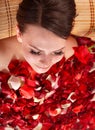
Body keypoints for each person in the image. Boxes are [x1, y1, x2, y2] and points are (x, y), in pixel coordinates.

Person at [0, 0, 95, 129]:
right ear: (19, 33)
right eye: (35, 51)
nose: (46, 63)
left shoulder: (70, 48)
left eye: (57, 52)